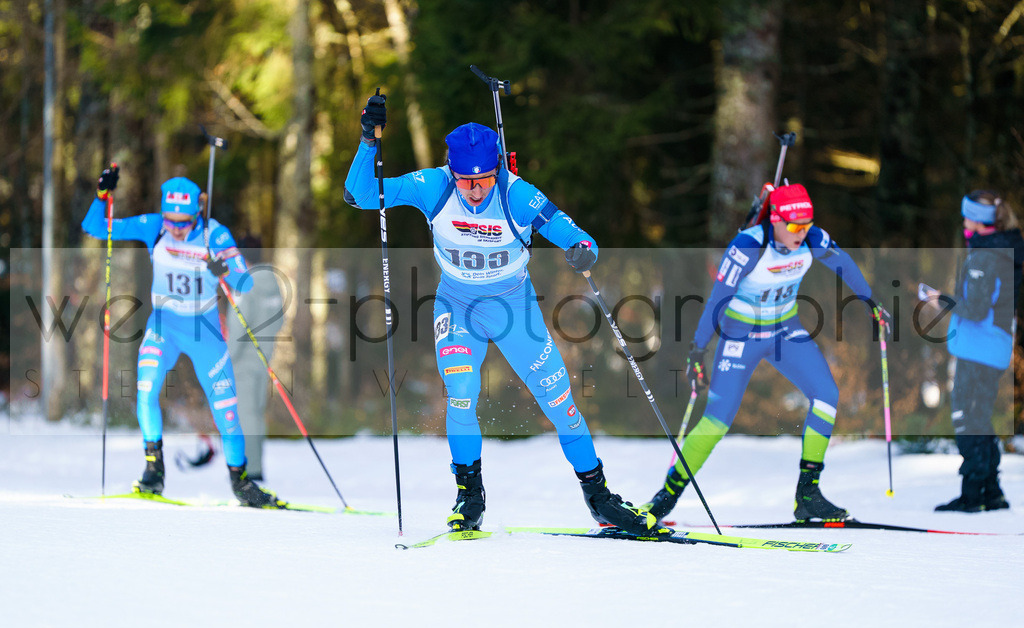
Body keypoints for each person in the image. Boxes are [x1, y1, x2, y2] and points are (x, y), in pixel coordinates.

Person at [344, 94, 659, 535]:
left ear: (498, 170)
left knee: (560, 403)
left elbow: (578, 235)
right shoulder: (433, 185)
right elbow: (359, 196)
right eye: (465, 181)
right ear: (451, 170)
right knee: (461, 392)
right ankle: (469, 496)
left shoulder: (518, 194)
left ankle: (599, 497)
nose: (474, 190)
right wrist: (367, 142)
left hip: (516, 311)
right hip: (457, 308)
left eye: (485, 180)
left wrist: (581, 250)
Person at [644, 183, 888, 522]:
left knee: (827, 395)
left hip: (784, 331)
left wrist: (870, 301)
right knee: (717, 421)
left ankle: (808, 495)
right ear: (775, 220)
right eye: (793, 226)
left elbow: (844, 264)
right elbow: (718, 299)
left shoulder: (813, 238)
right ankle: (664, 499)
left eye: (806, 224)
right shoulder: (748, 246)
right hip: (740, 337)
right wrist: (697, 350)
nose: (801, 233)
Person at [81, 165, 284, 508]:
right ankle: (153, 471)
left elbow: (244, 283)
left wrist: (216, 265)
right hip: (164, 328)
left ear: (197, 212)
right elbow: (95, 227)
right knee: (145, 390)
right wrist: (102, 196)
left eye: (183, 222)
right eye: (171, 221)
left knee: (227, 410)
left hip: (204, 331)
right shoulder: (154, 227)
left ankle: (241, 481)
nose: (175, 229)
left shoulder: (213, 234)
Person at [930, 190, 1022, 512]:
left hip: (979, 348)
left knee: (966, 418)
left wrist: (939, 299)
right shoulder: (1002, 249)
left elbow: (976, 308)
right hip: (992, 347)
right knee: (979, 417)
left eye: (968, 214)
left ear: (980, 221)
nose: (963, 219)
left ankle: (972, 495)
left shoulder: (987, 256)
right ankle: (992, 493)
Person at [225, 235, 284, 481]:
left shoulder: (246, 283)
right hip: (264, 358)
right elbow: (279, 319)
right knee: (256, 414)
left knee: (246, 414)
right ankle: (256, 465)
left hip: (244, 360)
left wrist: (228, 359)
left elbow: (239, 323)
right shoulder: (272, 280)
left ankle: (250, 470)